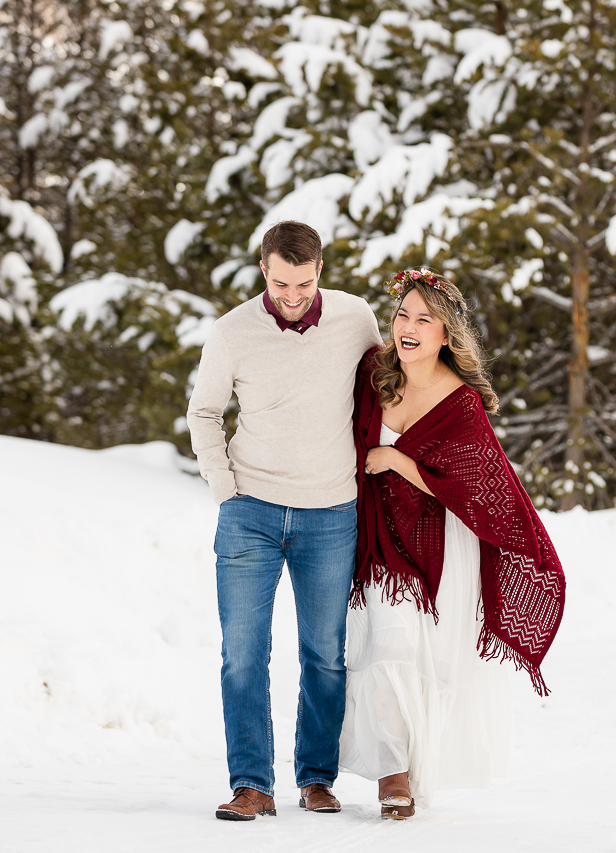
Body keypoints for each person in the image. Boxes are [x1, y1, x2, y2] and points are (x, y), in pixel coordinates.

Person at [340, 269, 567, 819]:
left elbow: (473, 489)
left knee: (416, 656)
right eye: (402, 315)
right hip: (373, 538)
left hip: (436, 544)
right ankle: (392, 776)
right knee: (384, 647)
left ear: (447, 334)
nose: (409, 328)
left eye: (425, 319)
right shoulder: (373, 374)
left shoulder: (460, 402)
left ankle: (412, 773)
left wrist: (396, 459)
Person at [186, 221, 382, 821]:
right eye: (279, 283)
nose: (290, 295)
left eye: (302, 283)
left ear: (319, 270)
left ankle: (316, 778)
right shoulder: (232, 332)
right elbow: (204, 412)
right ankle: (252, 785)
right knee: (243, 655)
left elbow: (387, 392)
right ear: (263, 270)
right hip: (250, 513)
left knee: (325, 653)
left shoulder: (356, 320)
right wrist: (226, 490)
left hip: (331, 513)